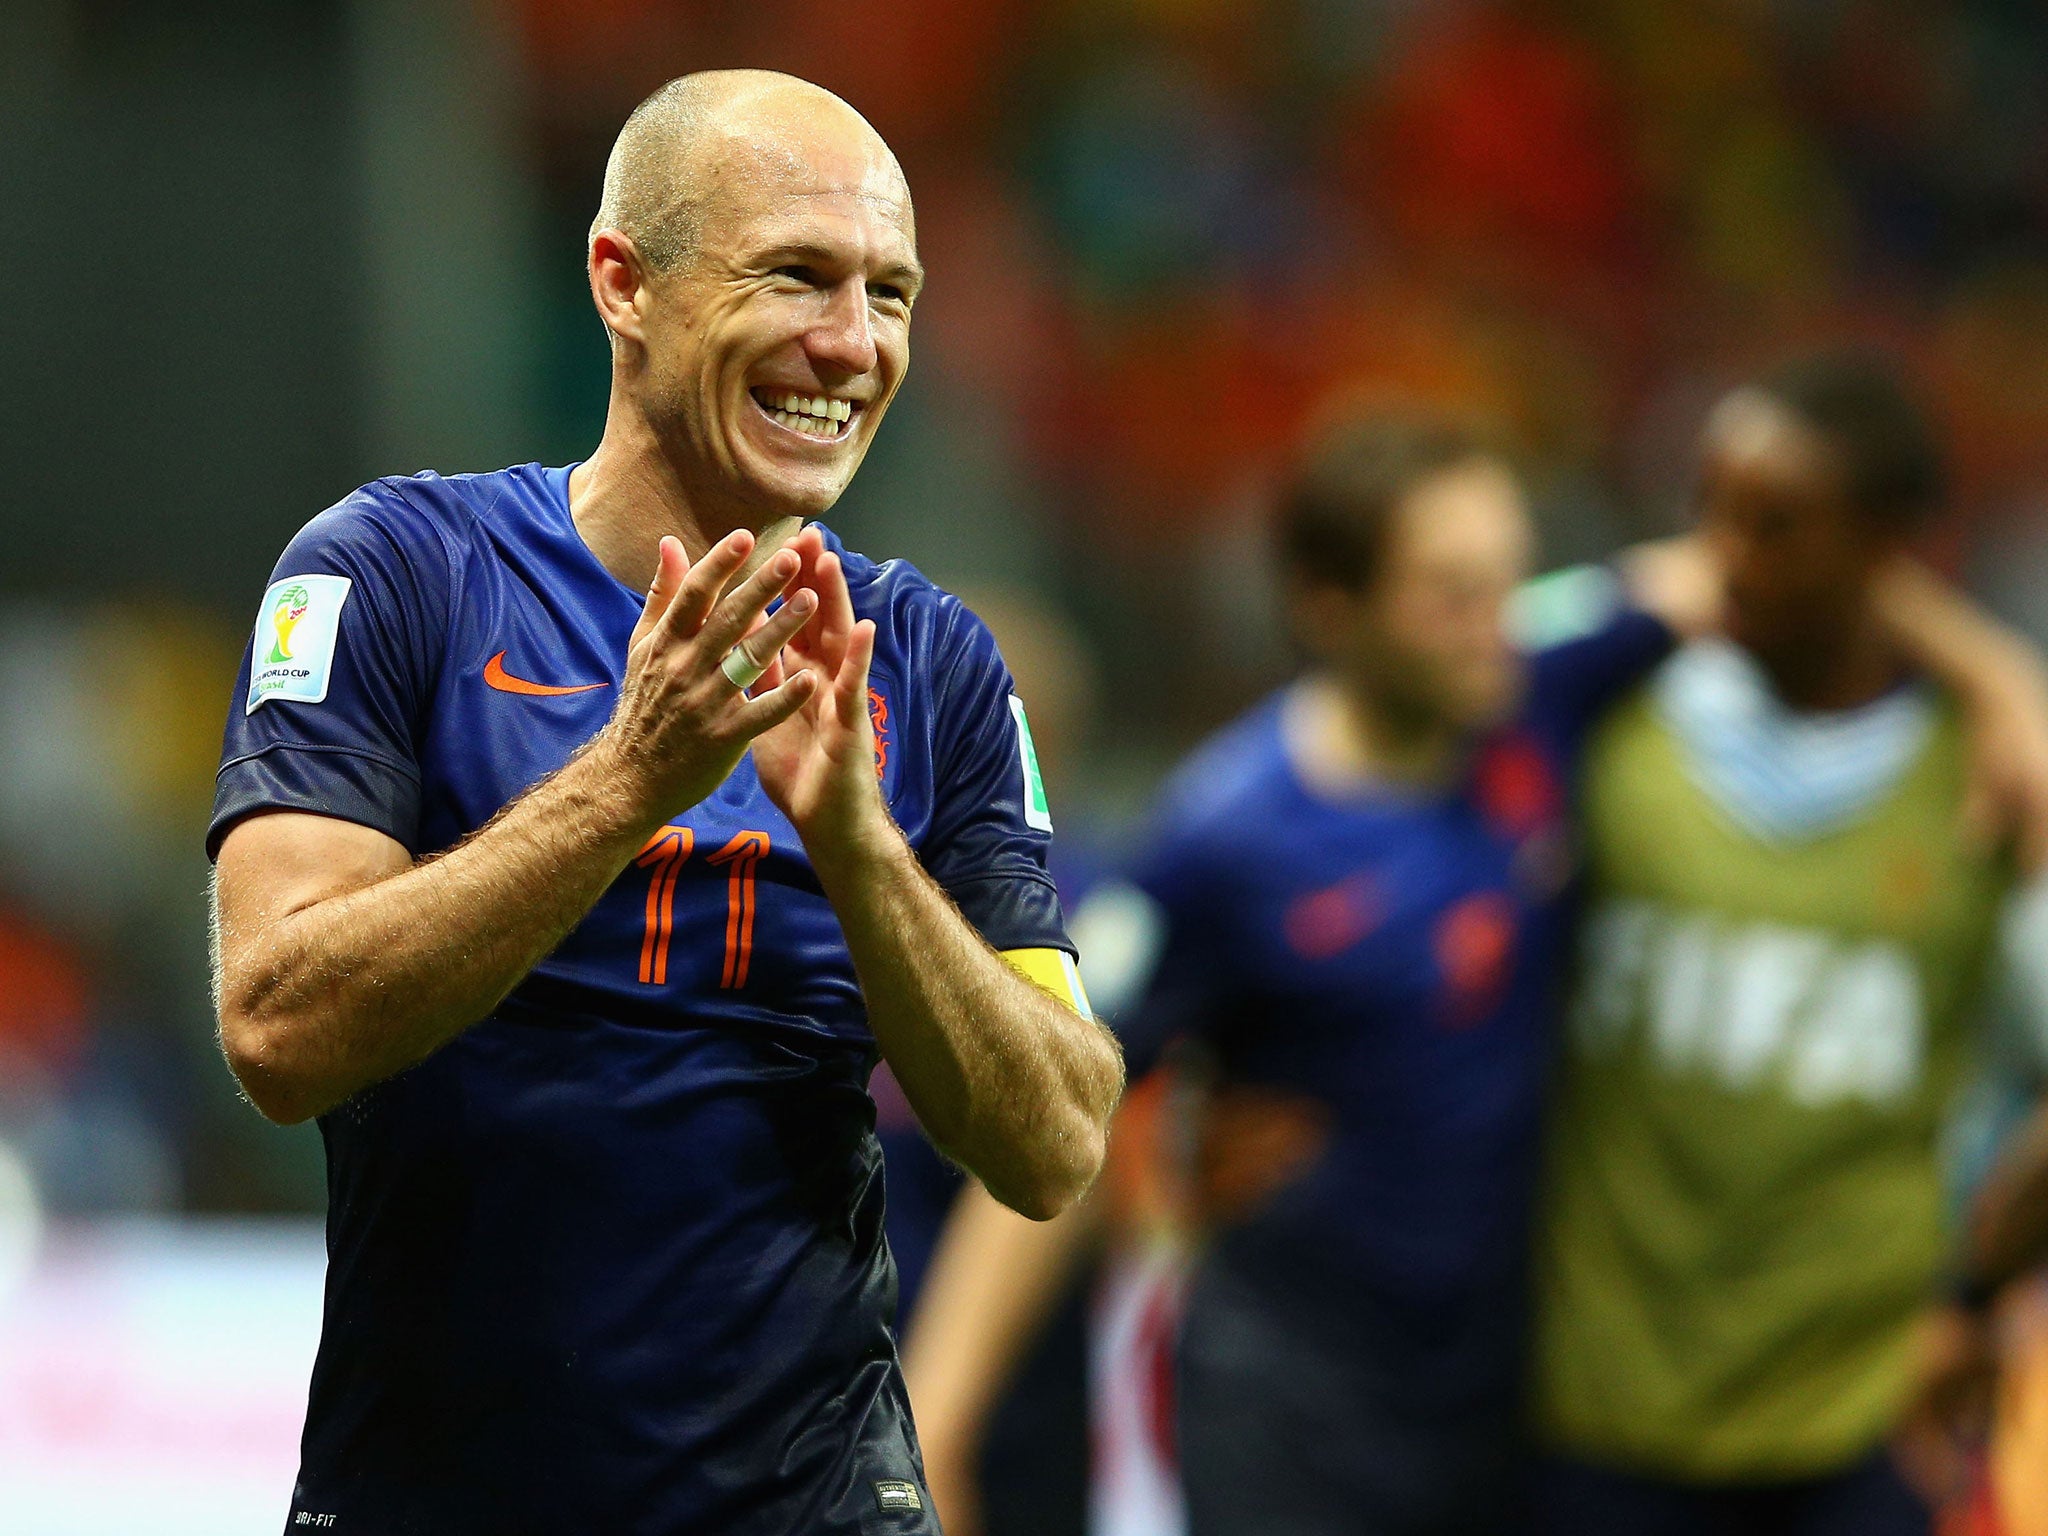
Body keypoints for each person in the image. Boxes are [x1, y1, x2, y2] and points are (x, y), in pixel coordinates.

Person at [205, 70, 1122, 1536]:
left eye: (892, 295)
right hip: (435, 1495)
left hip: (811, 1502)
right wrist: (634, 778)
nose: (852, 344)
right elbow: (276, 1026)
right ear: (624, 283)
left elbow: (1059, 1142)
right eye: (797, 276)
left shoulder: (934, 661)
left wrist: (861, 852)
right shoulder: (398, 575)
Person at [903, 385, 2048, 1536]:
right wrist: (941, 1418)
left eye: (1506, 578)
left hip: (1498, 1417)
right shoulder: (1226, 837)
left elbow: (1768, 564)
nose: (1495, 619)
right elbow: (1055, 1116)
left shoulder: (1535, 687)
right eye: (1451, 594)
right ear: (1328, 604)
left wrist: (1997, 678)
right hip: (1290, 1419)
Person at [1530, 356, 2048, 1536]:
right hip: (1594, 1414)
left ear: (1891, 543)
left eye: (1773, 525)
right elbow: (1465, 630)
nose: (1720, 556)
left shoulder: (1984, 783)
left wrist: (1969, 1304)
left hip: (1852, 1427)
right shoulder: (1615, 721)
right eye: (1705, 512)